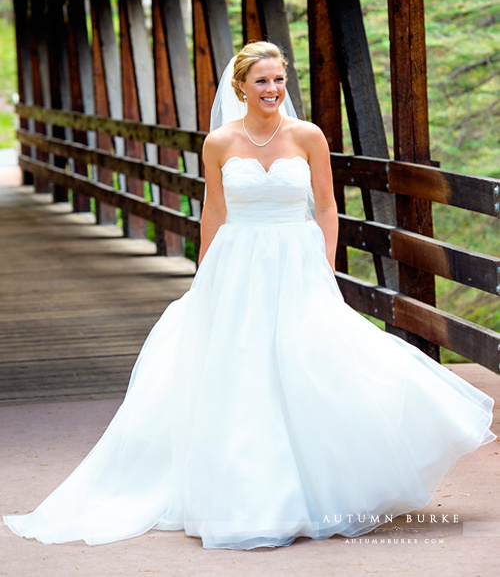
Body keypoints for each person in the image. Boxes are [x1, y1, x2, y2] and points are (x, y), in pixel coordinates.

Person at [3, 41, 496, 550]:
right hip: (237, 265)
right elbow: (214, 211)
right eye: (261, 81)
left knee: (311, 362)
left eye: (279, 80)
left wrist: (325, 271)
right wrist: (203, 278)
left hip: (296, 262)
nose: (272, 90)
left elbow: (327, 209)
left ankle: (323, 485)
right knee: (244, 370)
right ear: (240, 86)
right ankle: (252, 495)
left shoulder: (308, 136)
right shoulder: (219, 142)